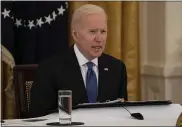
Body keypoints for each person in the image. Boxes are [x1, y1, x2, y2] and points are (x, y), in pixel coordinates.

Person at [29, 4, 128, 118]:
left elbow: (122, 114)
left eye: (103, 31)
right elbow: (39, 117)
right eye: (92, 32)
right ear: (75, 35)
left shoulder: (117, 68)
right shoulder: (50, 69)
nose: (99, 39)